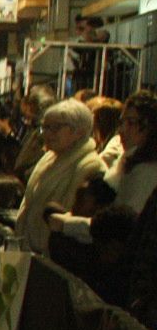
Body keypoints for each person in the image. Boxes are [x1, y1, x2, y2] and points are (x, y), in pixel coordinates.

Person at [50, 89, 157, 244]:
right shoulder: (128, 160)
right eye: (122, 122)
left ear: (150, 126)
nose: (122, 130)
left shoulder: (147, 171)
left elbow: (120, 230)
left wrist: (67, 225)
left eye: (131, 123)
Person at [16, 98, 106, 254]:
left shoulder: (90, 166)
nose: (48, 134)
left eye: (56, 128)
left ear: (79, 131)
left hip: (52, 256)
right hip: (28, 250)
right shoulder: (48, 158)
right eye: (45, 127)